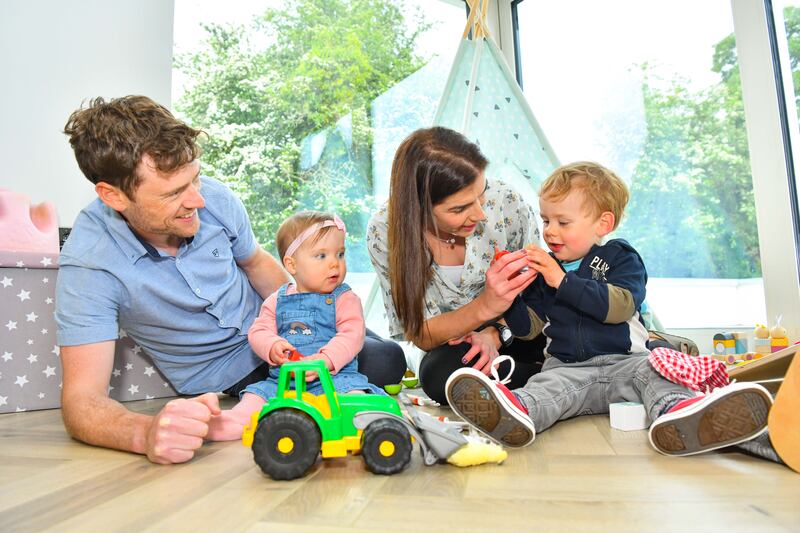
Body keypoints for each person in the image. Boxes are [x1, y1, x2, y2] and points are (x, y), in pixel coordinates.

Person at [56, 95, 405, 464]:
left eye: (194, 179)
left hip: (286, 326)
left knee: (379, 350)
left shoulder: (214, 197)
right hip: (230, 368)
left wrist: (311, 310)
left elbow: (256, 264)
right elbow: (81, 402)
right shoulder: (89, 264)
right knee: (382, 362)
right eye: (174, 192)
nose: (198, 200)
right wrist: (144, 433)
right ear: (113, 196)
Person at [445, 161, 773, 456]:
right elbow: (529, 328)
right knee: (544, 391)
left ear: (603, 224)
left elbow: (619, 306)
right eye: (546, 220)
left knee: (656, 376)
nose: (549, 231)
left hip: (627, 362)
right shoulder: (546, 272)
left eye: (563, 221)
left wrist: (563, 281)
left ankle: (682, 416)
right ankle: (512, 413)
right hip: (567, 368)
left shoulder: (619, 257)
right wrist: (509, 294)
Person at [367, 127, 546, 405]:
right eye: (459, 209)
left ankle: (538, 376)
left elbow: (541, 296)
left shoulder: (507, 203)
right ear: (418, 208)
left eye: (481, 192)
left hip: (523, 328)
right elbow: (423, 334)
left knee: (564, 341)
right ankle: (537, 379)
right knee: (440, 376)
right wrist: (485, 306)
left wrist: (495, 332)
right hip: (452, 345)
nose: (480, 213)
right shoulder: (385, 231)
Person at [207, 211, 385, 440]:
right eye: (321, 256)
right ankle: (227, 424)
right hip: (283, 382)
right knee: (254, 398)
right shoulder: (276, 300)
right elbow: (258, 331)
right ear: (291, 265)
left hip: (335, 378)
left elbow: (353, 335)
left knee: (354, 399)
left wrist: (326, 359)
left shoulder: (344, 298)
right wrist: (272, 346)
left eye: (340, 254)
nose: (335, 263)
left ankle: (369, 420)